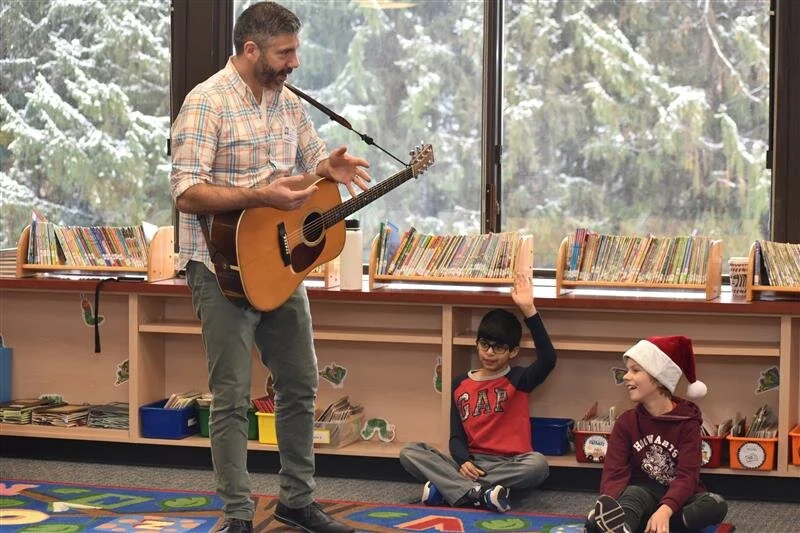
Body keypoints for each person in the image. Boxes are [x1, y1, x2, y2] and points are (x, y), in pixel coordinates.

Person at [170, 3, 371, 532]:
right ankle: (237, 516)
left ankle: (296, 501)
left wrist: (328, 167)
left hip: (281, 268)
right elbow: (186, 192)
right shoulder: (205, 103)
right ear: (251, 49)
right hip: (219, 272)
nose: (294, 63)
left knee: (301, 383)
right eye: (285, 52)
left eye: (296, 51)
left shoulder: (287, 101)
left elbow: (309, 165)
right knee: (232, 399)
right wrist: (258, 194)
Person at [398, 272, 556, 513]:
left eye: (499, 348)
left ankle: (453, 489)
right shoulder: (460, 383)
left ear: (513, 352)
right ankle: (479, 493)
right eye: (484, 344)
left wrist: (529, 310)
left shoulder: (518, 379)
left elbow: (548, 359)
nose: (489, 353)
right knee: (410, 451)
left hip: (510, 464)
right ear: (477, 344)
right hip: (470, 463)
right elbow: (456, 436)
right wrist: (463, 461)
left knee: (538, 465)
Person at [585, 336, 728, 533]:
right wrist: (606, 503)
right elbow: (614, 474)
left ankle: (644, 525)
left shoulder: (688, 423)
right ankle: (624, 525)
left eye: (635, 370)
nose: (626, 376)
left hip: (679, 499)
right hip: (640, 495)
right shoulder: (626, 422)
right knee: (632, 494)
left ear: (659, 379)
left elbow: (687, 476)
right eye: (628, 370)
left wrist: (666, 509)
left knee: (715, 503)